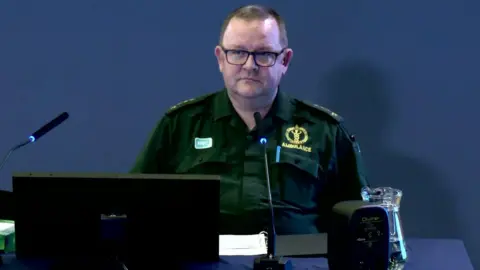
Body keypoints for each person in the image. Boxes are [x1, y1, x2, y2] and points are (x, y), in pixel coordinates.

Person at [130, 4, 368, 235]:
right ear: (220, 58)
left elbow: (359, 219)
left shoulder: (324, 131)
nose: (249, 65)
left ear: (284, 61)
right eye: (238, 52)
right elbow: (134, 204)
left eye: (263, 54)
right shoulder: (180, 125)